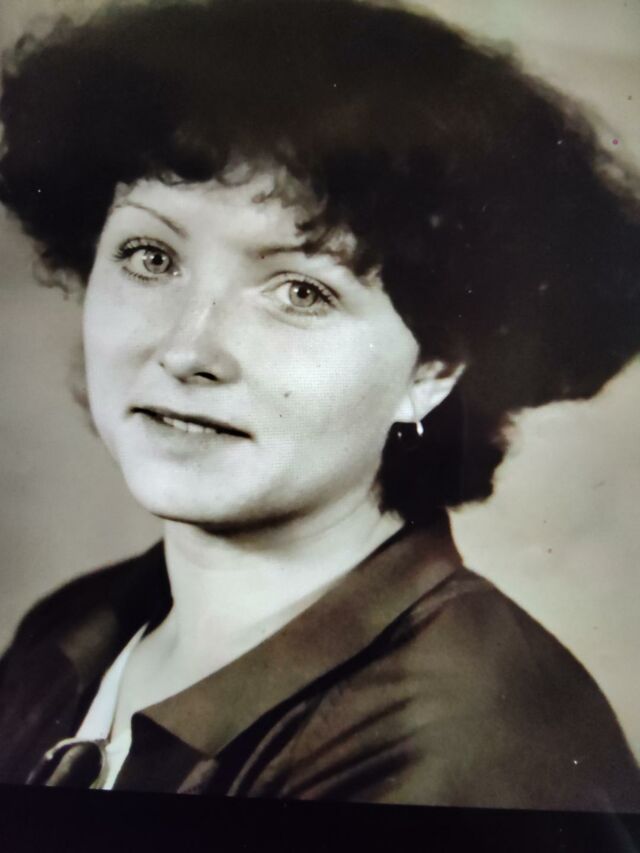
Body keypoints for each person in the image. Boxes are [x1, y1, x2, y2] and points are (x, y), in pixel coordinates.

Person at [0, 0, 639, 810]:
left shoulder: (470, 746)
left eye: (301, 290)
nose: (188, 349)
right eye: (151, 255)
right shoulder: (73, 628)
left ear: (433, 366)